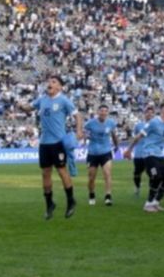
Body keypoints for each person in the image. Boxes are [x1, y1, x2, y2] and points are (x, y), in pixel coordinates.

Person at [31, 75, 81, 220]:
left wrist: (78, 131)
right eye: (49, 81)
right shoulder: (42, 99)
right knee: (45, 173)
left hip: (58, 142)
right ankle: (49, 204)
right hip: (44, 143)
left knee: (61, 171)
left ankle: (71, 201)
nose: (50, 84)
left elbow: (78, 115)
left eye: (54, 82)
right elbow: (30, 106)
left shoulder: (64, 100)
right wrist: (22, 106)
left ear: (59, 87)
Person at [133, 103, 164, 213]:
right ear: (161, 110)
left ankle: (155, 202)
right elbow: (139, 136)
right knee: (156, 177)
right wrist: (128, 150)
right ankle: (147, 204)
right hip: (149, 153)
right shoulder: (154, 122)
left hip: (159, 153)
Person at [85, 104, 118, 206]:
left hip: (106, 152)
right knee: (91, 177)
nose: (103, 112)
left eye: (105, 111)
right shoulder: (90, 123)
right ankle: (91, 194)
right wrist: (86, 137)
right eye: (101, 111)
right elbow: (84, 133)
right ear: (98, 112)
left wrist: (117, 145)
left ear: (107, 113)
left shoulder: (111, 123)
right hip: (93, 153)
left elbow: (113, 135)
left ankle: (108, 196)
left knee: (107, 174)